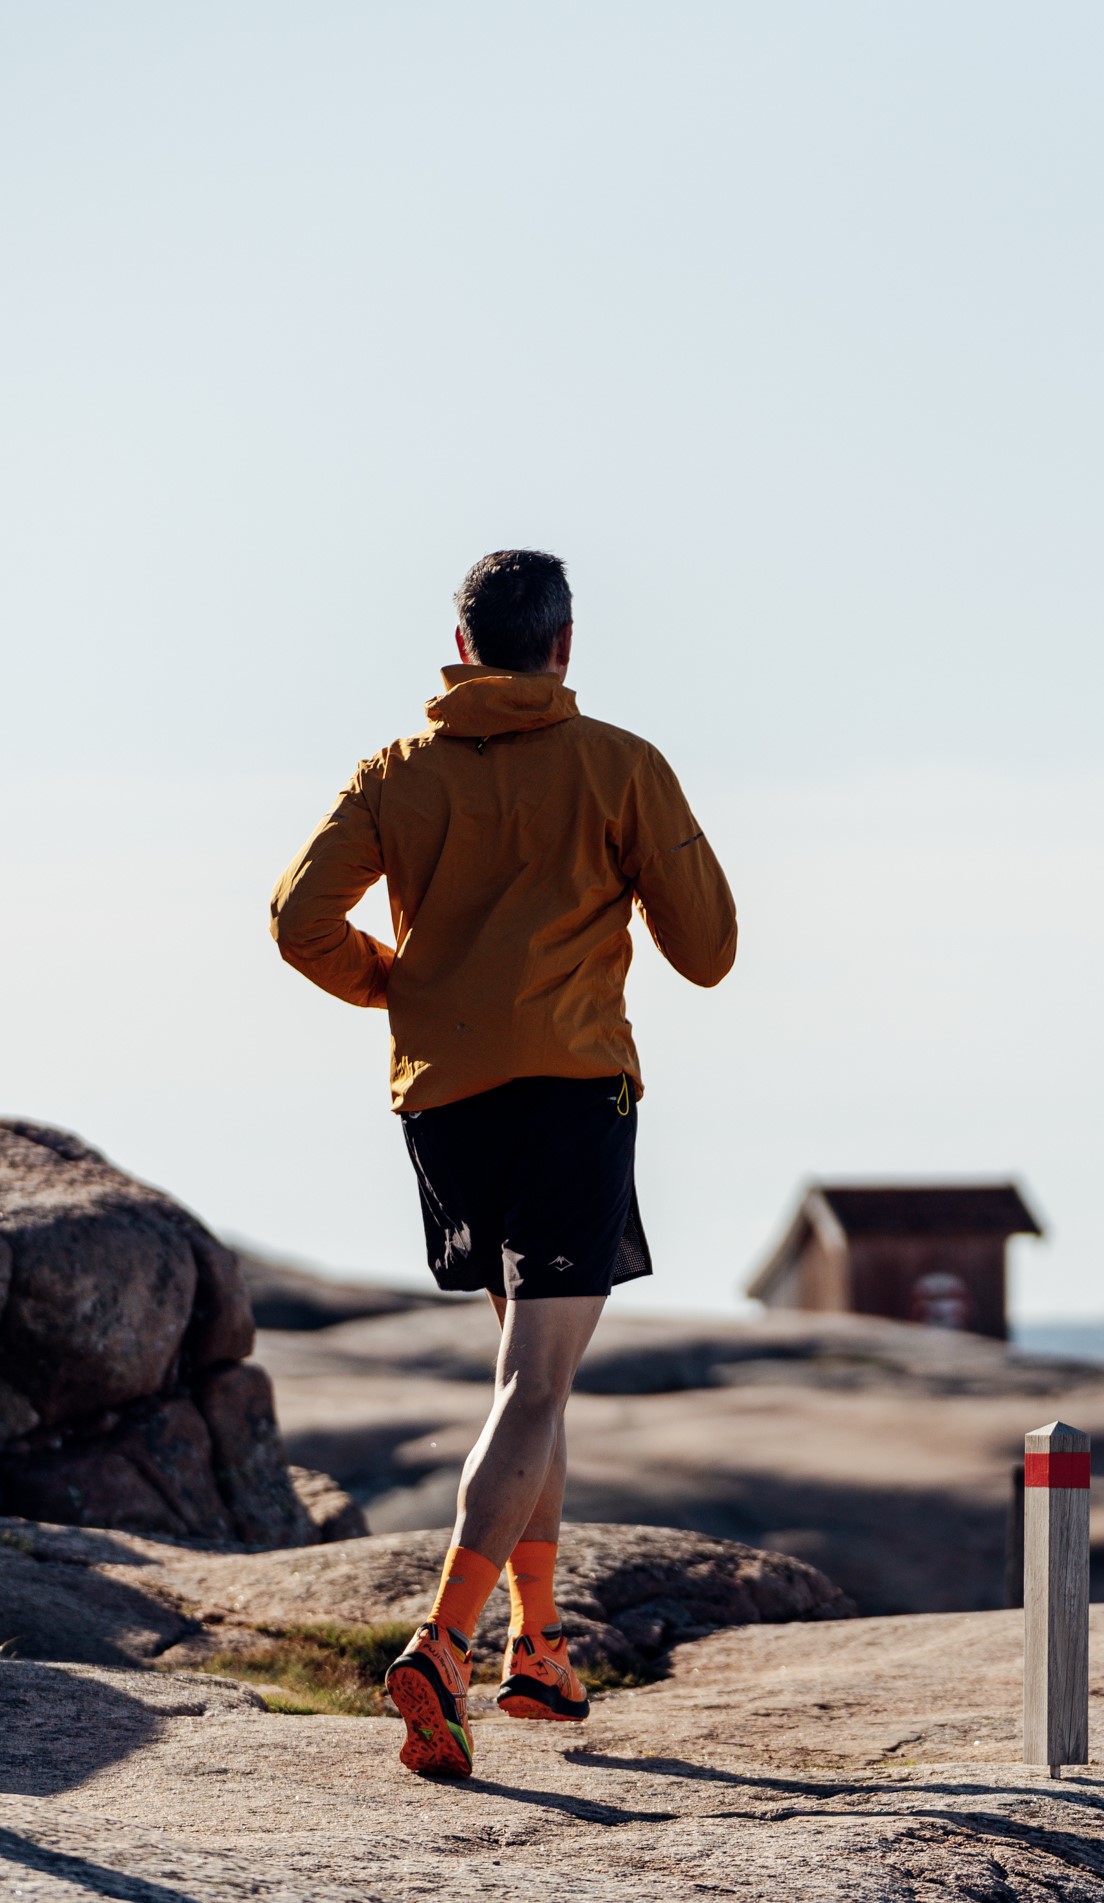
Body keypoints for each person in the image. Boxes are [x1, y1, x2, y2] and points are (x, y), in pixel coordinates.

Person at [271, 548, 734, 1779]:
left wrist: (403, 988)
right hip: (572, 1093)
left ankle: (542, 1645)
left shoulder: (395, 774)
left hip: (449, 1103)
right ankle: (443, 1643)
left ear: (463, 643)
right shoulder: (619, 766)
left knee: (535, 1375)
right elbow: (710, 950)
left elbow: (296, 921)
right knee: (534, 1385)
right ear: (564, 645)